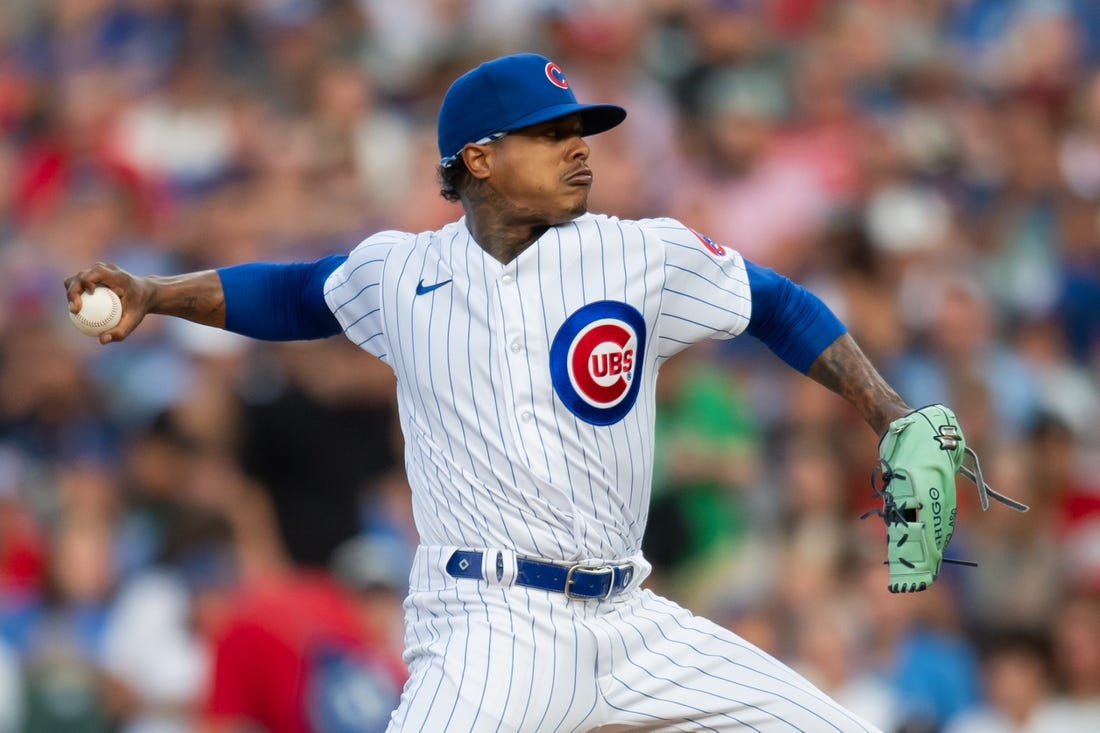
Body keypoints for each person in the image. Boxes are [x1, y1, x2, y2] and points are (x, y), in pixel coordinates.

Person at [65, 52, 919, 731]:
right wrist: (154, 292)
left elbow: (774, 300)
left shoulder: (639, 253)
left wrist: (890, 411)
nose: (579, 145)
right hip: (489, 623)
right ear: (478, 157)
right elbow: (290, 294)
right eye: (550, 134)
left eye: (581, 130)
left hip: (634, 616)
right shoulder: (401, 272)